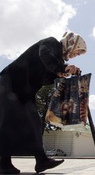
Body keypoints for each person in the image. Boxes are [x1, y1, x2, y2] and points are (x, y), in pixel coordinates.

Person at [0, 32, 86, 174]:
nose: (74, 56)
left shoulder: (56, 58)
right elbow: (44, 55)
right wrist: (62, 68)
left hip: (24, 90)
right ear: (71, 44)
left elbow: (46, 79)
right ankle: (4, 164)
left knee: (33, 122)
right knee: (9, 122)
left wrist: (62, 73)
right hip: (10, 82)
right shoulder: (51, 43)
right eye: (76, 52)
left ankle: (41, 161)